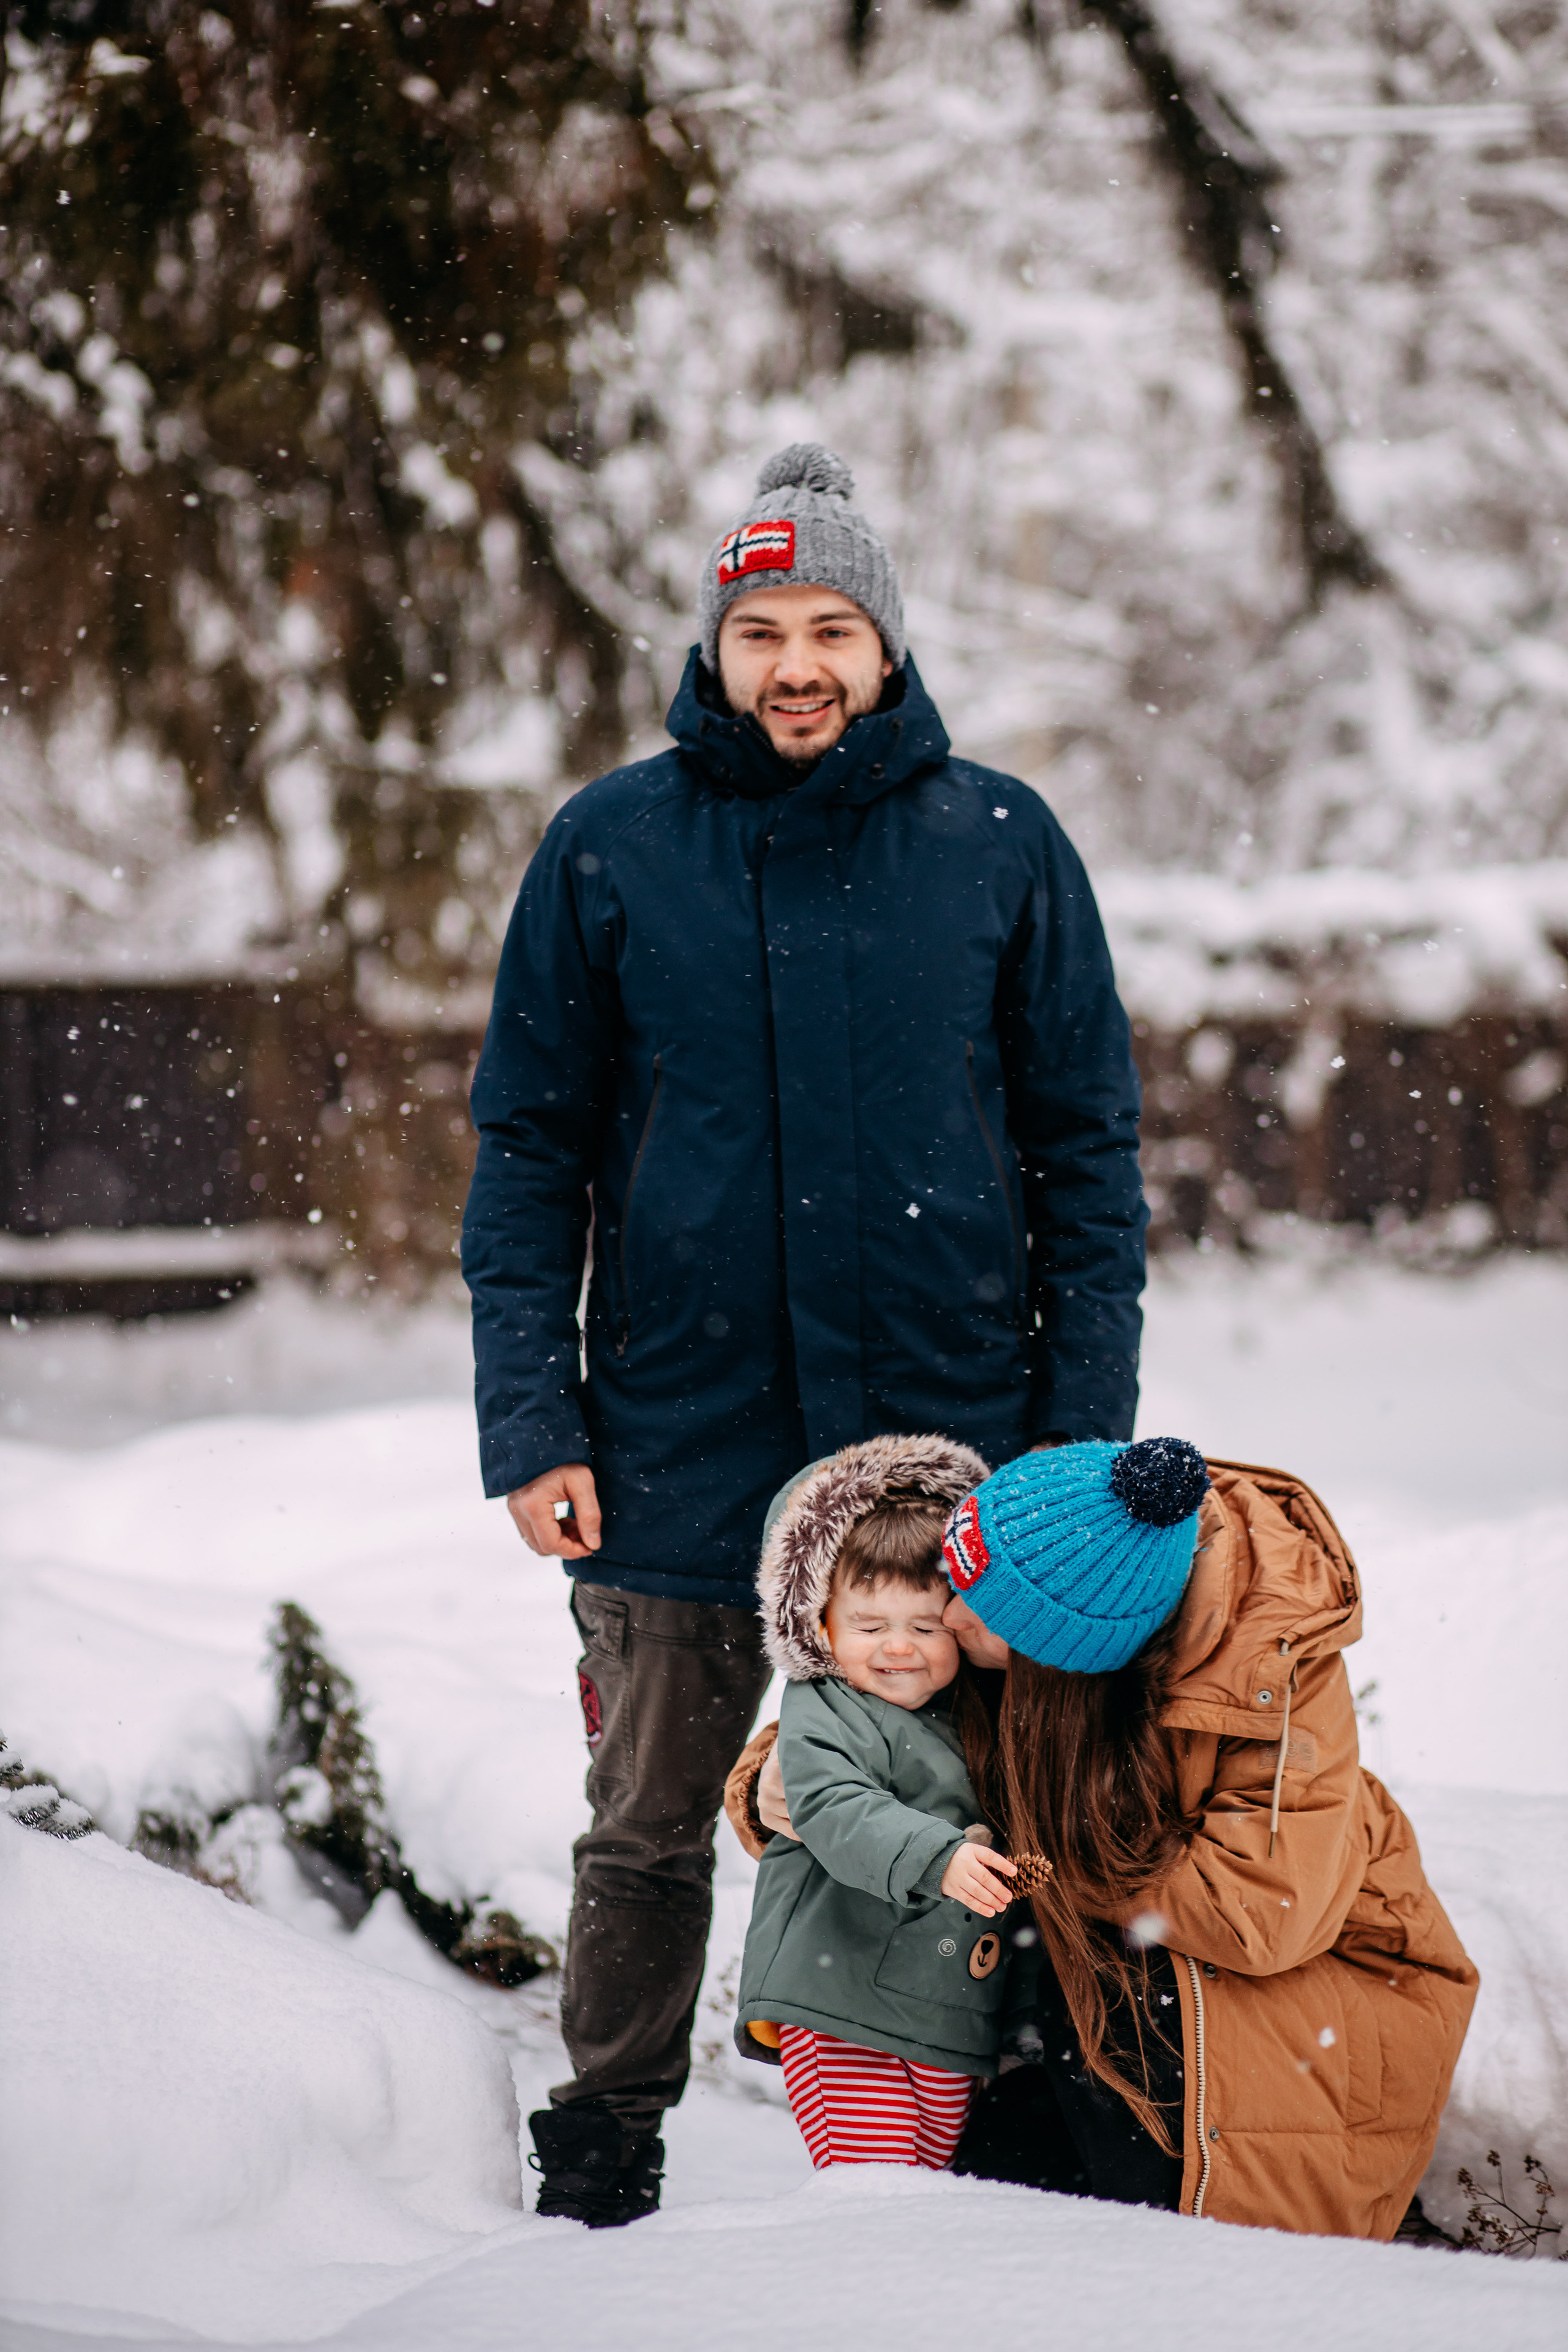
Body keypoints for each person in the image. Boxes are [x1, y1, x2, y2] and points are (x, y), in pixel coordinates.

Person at [462, 440, 1147, 2225]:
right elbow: (527, 1148)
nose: (795, 664)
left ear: (887, 643)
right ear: (712, 643)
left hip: (946, 1451)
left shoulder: (998, 843)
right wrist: (535, 1419)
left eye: (830, 625)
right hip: (677, 1440)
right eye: (759, 624)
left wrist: (1071, 1446)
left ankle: (998, 2148)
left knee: (998, 1821)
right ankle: (604, 2147)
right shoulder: (610, 844)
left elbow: (1089, 1156)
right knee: (645, 1823)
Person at [729, 1437, 1479, 2238]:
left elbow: (1263, 1914)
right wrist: (774, 1779)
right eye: (954, 1581)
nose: (948, 1617)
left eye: (976, 1614)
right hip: (1092, 1967)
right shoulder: (1063, 1529)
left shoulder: (1273, 1678)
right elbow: (882, 1721)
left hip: (1303, 2001)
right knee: (990, 2203)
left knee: (1082, 2180)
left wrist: (1044, 1861)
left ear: (1064, 1666)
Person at [732, 1434, 1019, 2168]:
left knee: (927, 2180)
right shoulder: (824, 1704)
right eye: (869, 1626)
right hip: (839, 1997)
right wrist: (938, 1855)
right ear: (819, 1623)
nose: (899, 1648)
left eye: (925, 1626)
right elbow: (833, 1806)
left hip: (946, 2003)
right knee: (873, 2179)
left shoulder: (975, 1707)